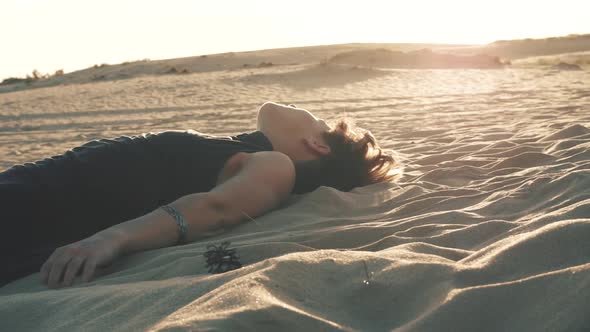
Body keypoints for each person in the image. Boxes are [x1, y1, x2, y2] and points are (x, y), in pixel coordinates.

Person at [0, 102, 397, 289]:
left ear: (318, 144)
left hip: (32, 207)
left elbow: (216, 208)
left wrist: (111, 238)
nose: (302, 108)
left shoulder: (275, 165)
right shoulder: (246, 152)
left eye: (318, 118)